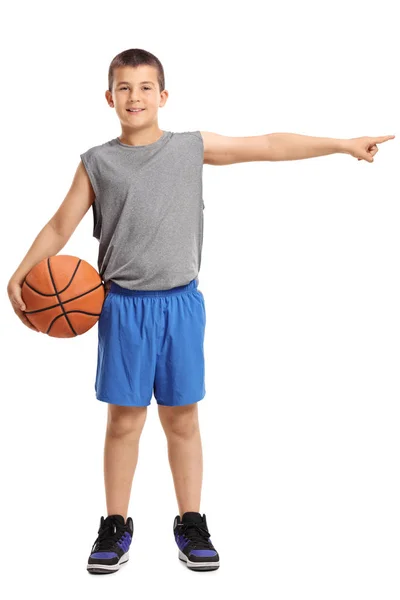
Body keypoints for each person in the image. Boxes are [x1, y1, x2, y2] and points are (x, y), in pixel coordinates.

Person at [7, 48, 395, 575]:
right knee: (123, 421)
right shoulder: (97, 162)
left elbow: (267, 145)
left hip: (181, 306)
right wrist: (22, 273)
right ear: (109, 98)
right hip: (121, 307)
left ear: (163, 97)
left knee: (183, 419)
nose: (135, 97)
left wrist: (341, 144)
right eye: (124, 88)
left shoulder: (189, 147)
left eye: (146, 88)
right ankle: (115, 525)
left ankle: (191, 521)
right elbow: (59, 226)